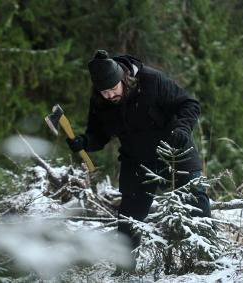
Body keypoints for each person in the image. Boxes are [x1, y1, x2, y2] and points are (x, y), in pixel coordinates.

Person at [66, 49, 211, 274]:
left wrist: (182, 128)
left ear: (124, 79)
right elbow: (98, 134)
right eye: (104, 92)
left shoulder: (152, 81)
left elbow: (189, 104)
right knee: (128, 217)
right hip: (137, 159)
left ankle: (206, 258)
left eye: (113, 89)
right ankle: (124, 270)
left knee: (195, 198)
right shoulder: (100, 100)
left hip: (174, 148)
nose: (110, 95)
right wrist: (84, 142)